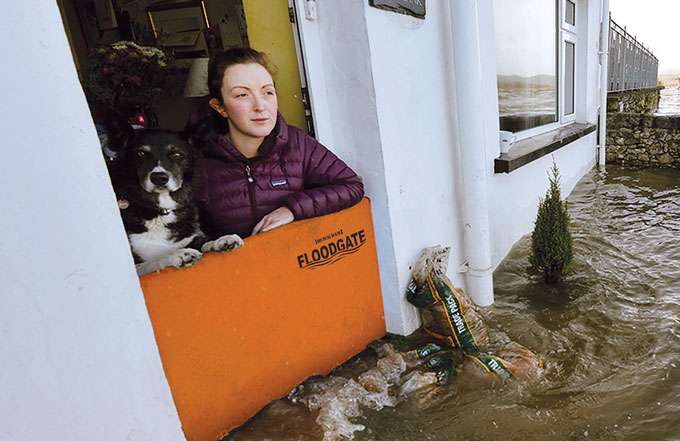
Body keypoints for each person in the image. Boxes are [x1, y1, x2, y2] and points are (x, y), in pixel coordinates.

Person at [185, 48, 364, 239]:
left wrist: (292, 209)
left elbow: (351, 185)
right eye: (242, 95)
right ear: (220, 107)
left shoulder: (297, 143)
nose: (260, 106)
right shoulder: (197, 160)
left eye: (267, 92)